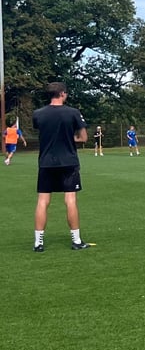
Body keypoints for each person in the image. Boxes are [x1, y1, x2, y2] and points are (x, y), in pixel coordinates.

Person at [32, 82, 91, 252]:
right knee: (70, 200)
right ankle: (77, 240)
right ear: (63, 94)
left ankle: (38, 243)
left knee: (43, 201)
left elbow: (42, 131)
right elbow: (83, 137)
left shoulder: (38, 114)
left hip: (46, 162)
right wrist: (69, 138)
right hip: (68, 161)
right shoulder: (73, 112)